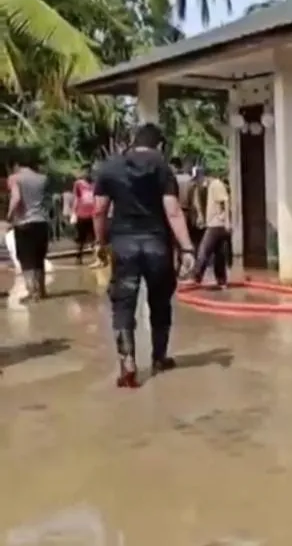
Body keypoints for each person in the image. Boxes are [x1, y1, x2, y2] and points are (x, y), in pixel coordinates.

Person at [93, 123, 197, 388]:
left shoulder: (109, 168)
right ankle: (159, 357)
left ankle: (127, 363)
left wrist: (101, 241)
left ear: (132, 141)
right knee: (160, 301)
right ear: (159, 145)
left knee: (123, 303)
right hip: (157, 245)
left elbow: (99, 210)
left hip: (123, 245)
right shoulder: (163, 168)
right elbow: (173, 211)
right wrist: (187, 248)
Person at [6, 148, 51, 302]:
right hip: (42, 221)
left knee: (26, 258)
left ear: (17, 164)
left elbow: (16, 198)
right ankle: (42, 290)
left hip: (24, 222)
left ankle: (32, 292)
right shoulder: (42, 178)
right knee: (39, 257)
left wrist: (9, 216)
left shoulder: (15, 178)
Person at [188, 171, 231, 288]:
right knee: (219, 253)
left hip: (216, 224)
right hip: (215, 223)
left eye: (198, 180)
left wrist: (226, 220)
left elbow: (225, 201)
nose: (198, 183)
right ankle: (221, 280)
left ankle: (197, 277)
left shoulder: (216, 184)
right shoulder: (209, 187)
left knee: (204, 250)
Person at [71, 165, 97, 265]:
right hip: (82, 214)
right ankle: (78, 257)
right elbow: (76, 198)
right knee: (81, 237)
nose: (88, 174)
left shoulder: (95, 184)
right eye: (87, 172)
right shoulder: (78, 184)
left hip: (94, 214)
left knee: (95, 237)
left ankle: (97, 258)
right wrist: (73, 212)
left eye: (90, 172)